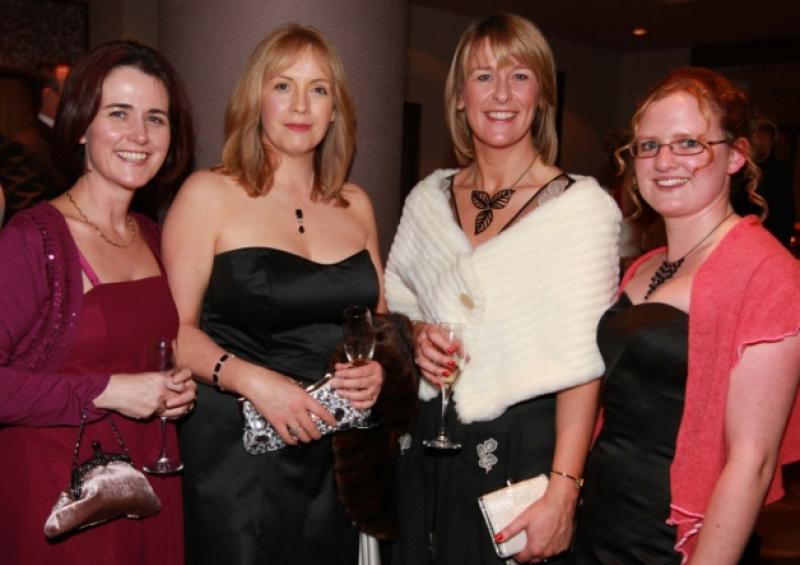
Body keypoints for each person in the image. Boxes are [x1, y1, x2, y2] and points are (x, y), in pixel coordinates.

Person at [383, 13, 621, 565]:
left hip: (523, 455)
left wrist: (564, 492)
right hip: (424, 445)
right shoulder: (426, 199)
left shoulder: (582, 209)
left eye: (520, 76)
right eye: (484, 76)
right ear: (459, 96)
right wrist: (416, 334)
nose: (502, 94)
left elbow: (584, 364)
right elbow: (396, 303)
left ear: (542, 96)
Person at [162, 23, 385, 565]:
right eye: (283, 85)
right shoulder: (208, 193)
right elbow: (173, 334)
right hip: (234, 454)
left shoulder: (356, 203)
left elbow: (378, 326)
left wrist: (378, 370)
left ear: (335, 110)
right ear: (255, 99)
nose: (301, 104)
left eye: (318, 89)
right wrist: (252, 380)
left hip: (332, 456)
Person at [571, 67, 800, 564]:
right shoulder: (646, 265)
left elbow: (753, 462)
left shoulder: (768, 273)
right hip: (598, 521)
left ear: (735, 155)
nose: (663, 161)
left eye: (689, 143)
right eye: (649, 146)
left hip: (673, 539)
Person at [0, 40, 197, 564]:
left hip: (150, 482)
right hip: (62, 500)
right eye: (119, 113)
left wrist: (175, 389)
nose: (140, 135)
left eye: (156, 118)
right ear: (81, 127)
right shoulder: (32, 239)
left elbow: (155, 349)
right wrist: (108, 390)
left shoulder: (154, 236)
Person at [0, 62, 71, 224]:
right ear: (50, 97)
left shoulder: (77, 140)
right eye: (71, 91)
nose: (81, 98)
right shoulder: (24, 147)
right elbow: (26, 219)